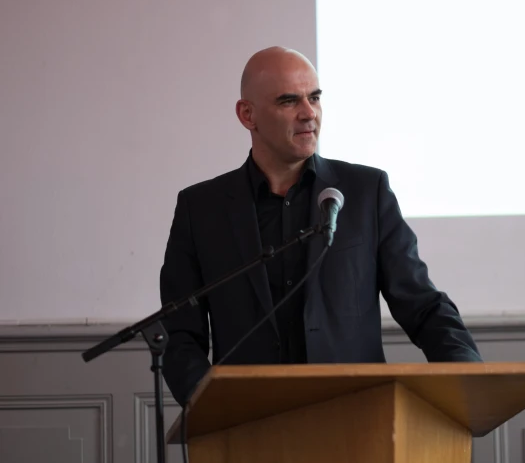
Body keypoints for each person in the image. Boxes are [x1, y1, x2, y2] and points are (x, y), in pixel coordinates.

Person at [159, 46, 482, 406]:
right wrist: (209, 408)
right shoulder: (200, 208)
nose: (309, 113)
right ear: (247, 114)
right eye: (288, 101)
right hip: (246, 425)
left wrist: (470, 377)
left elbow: (421, 304)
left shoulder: (365, 192)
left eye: (314, 97)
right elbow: (180, 334)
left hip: (356, 419)